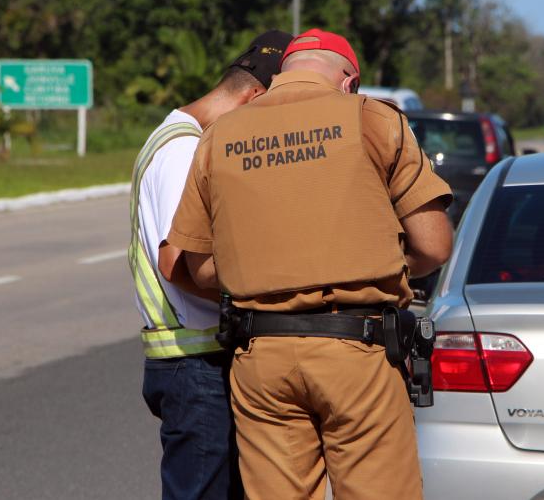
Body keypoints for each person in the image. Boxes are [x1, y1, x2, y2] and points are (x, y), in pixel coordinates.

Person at [166, 28, 454, 500]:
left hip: (261, 358)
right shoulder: (371, 119)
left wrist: (268, 270)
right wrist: (367, 256)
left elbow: (198, 269)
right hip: (357, 352)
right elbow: (435, 246)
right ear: (349, 82)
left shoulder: (219, 136)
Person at [129, 29, 292, 500]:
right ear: (255, 97)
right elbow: (179, 261)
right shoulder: (184, 150)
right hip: (194, 362)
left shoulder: (190, 140)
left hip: (195, 360)